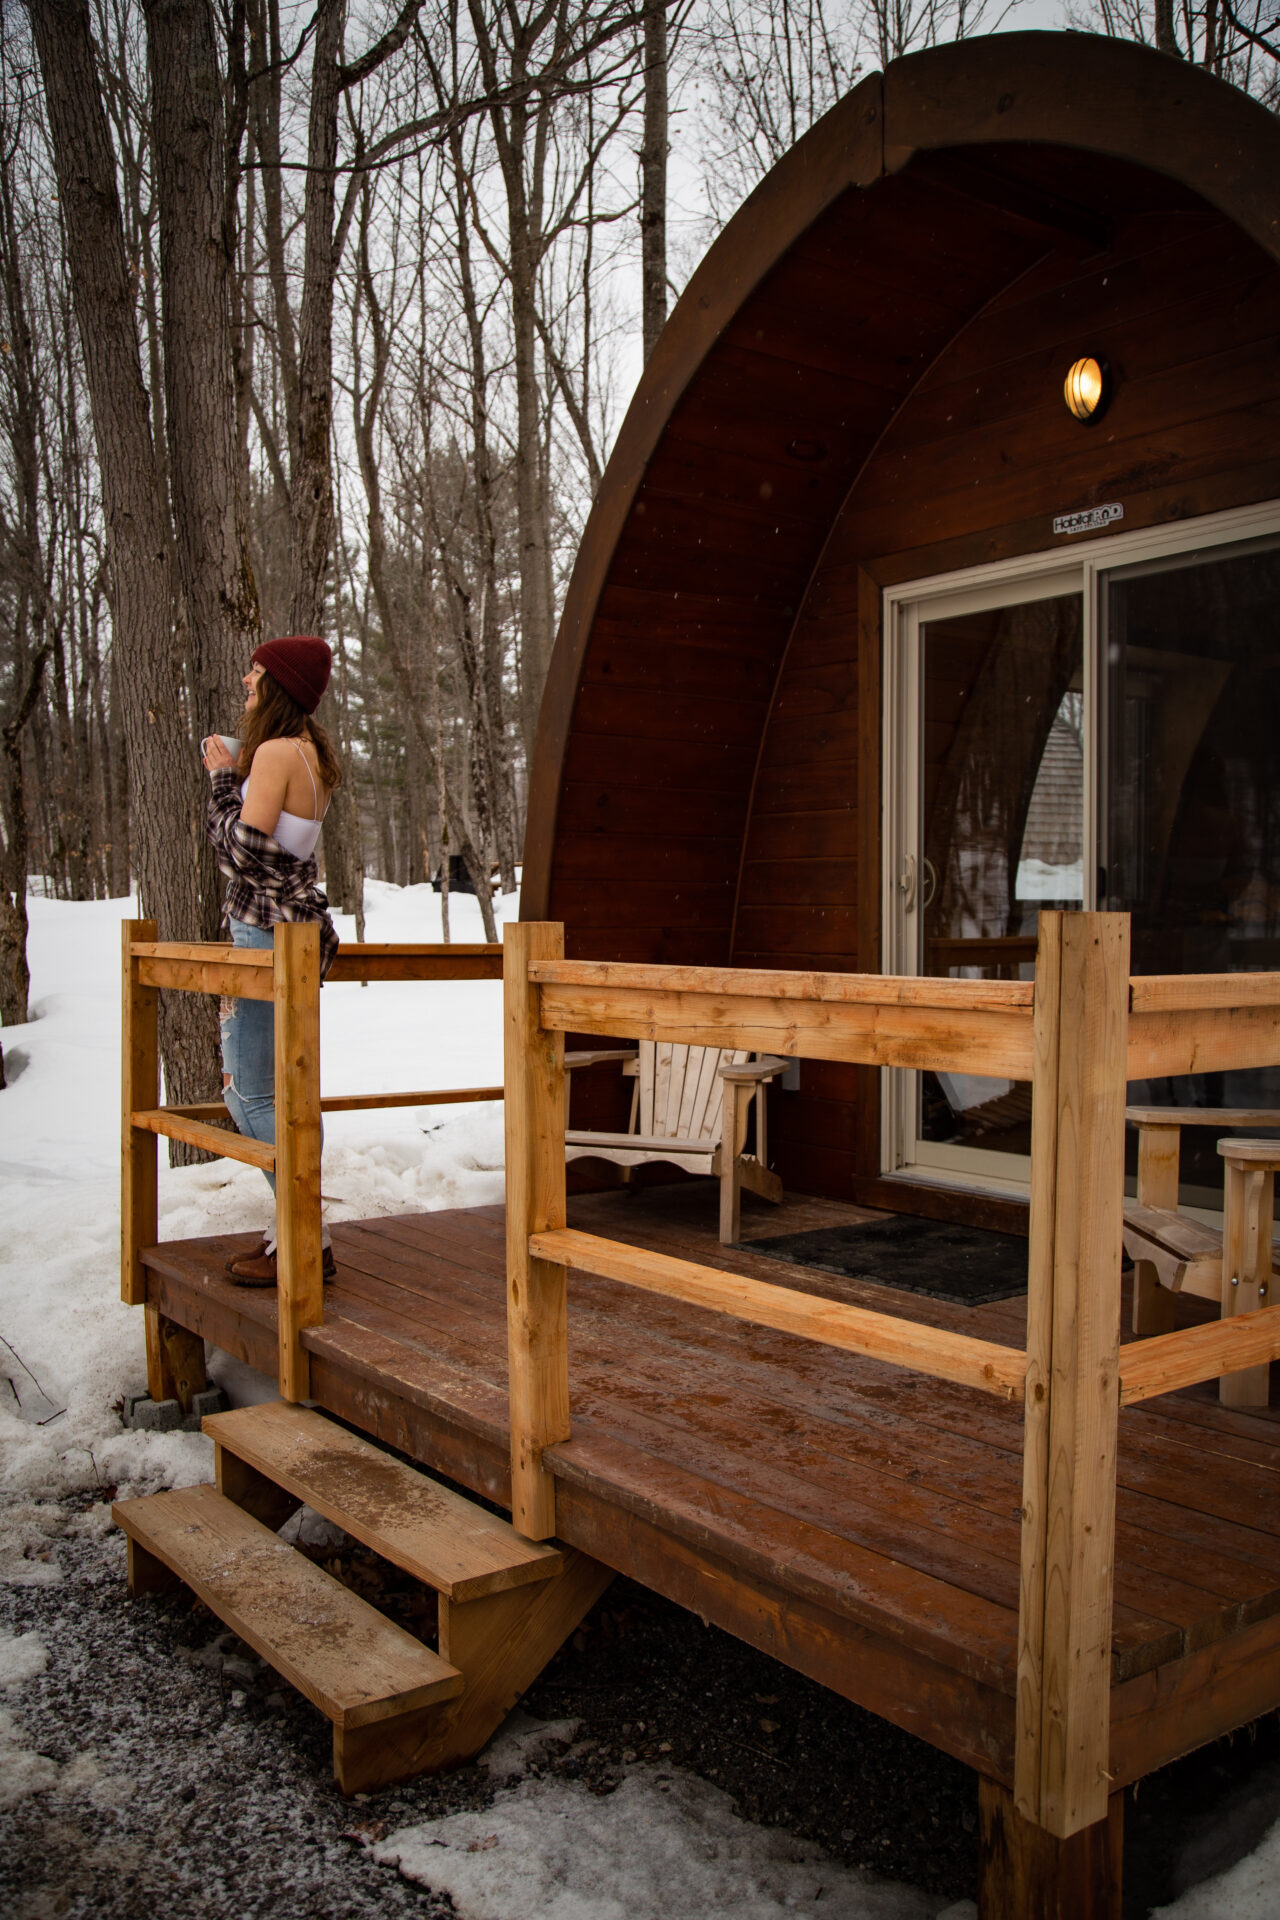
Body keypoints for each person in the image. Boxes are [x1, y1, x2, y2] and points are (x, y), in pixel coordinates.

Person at [202, 635, 341, 1285]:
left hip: (265, 937)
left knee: (249, 1093)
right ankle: (298, 1232)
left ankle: (304, 1235)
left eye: (255, 674)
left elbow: (243, 853)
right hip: (290, 934)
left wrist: (223, 778)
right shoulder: (309, 753)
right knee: (274, 1093)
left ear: (279, 685)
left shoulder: (280, 752)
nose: (245, 682)